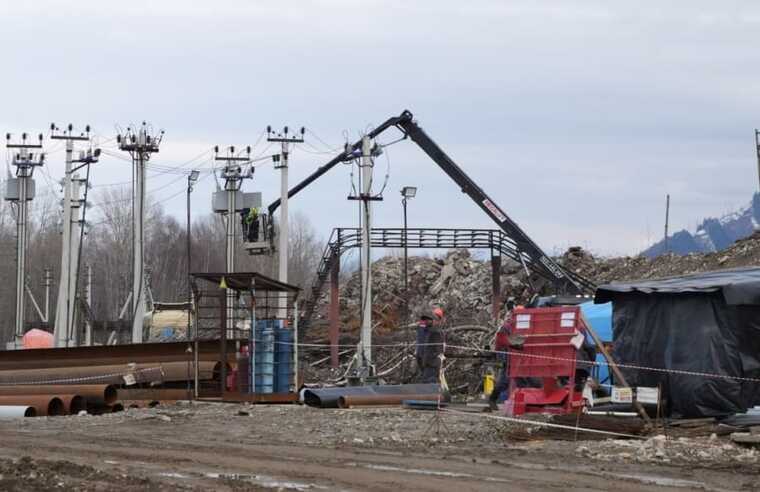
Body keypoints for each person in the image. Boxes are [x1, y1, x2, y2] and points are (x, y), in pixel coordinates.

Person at [488, 298, 515, 411]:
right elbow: (502, 342)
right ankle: (492, 399)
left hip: (516, 357)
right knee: (504, 381)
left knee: (523, 380)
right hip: (509, 358)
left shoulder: (513, 325)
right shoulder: (506, 327)